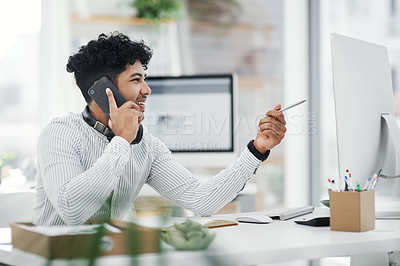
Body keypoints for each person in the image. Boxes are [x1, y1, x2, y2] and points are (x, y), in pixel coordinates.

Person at [32, 32, 286, 226]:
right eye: (136, 79)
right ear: (102, 90)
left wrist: (257, 150)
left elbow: (202, 200)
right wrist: (121, 141)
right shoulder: (60, 134)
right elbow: (72, 211)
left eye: (145, 78)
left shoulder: (146, 147)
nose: (147, 90)